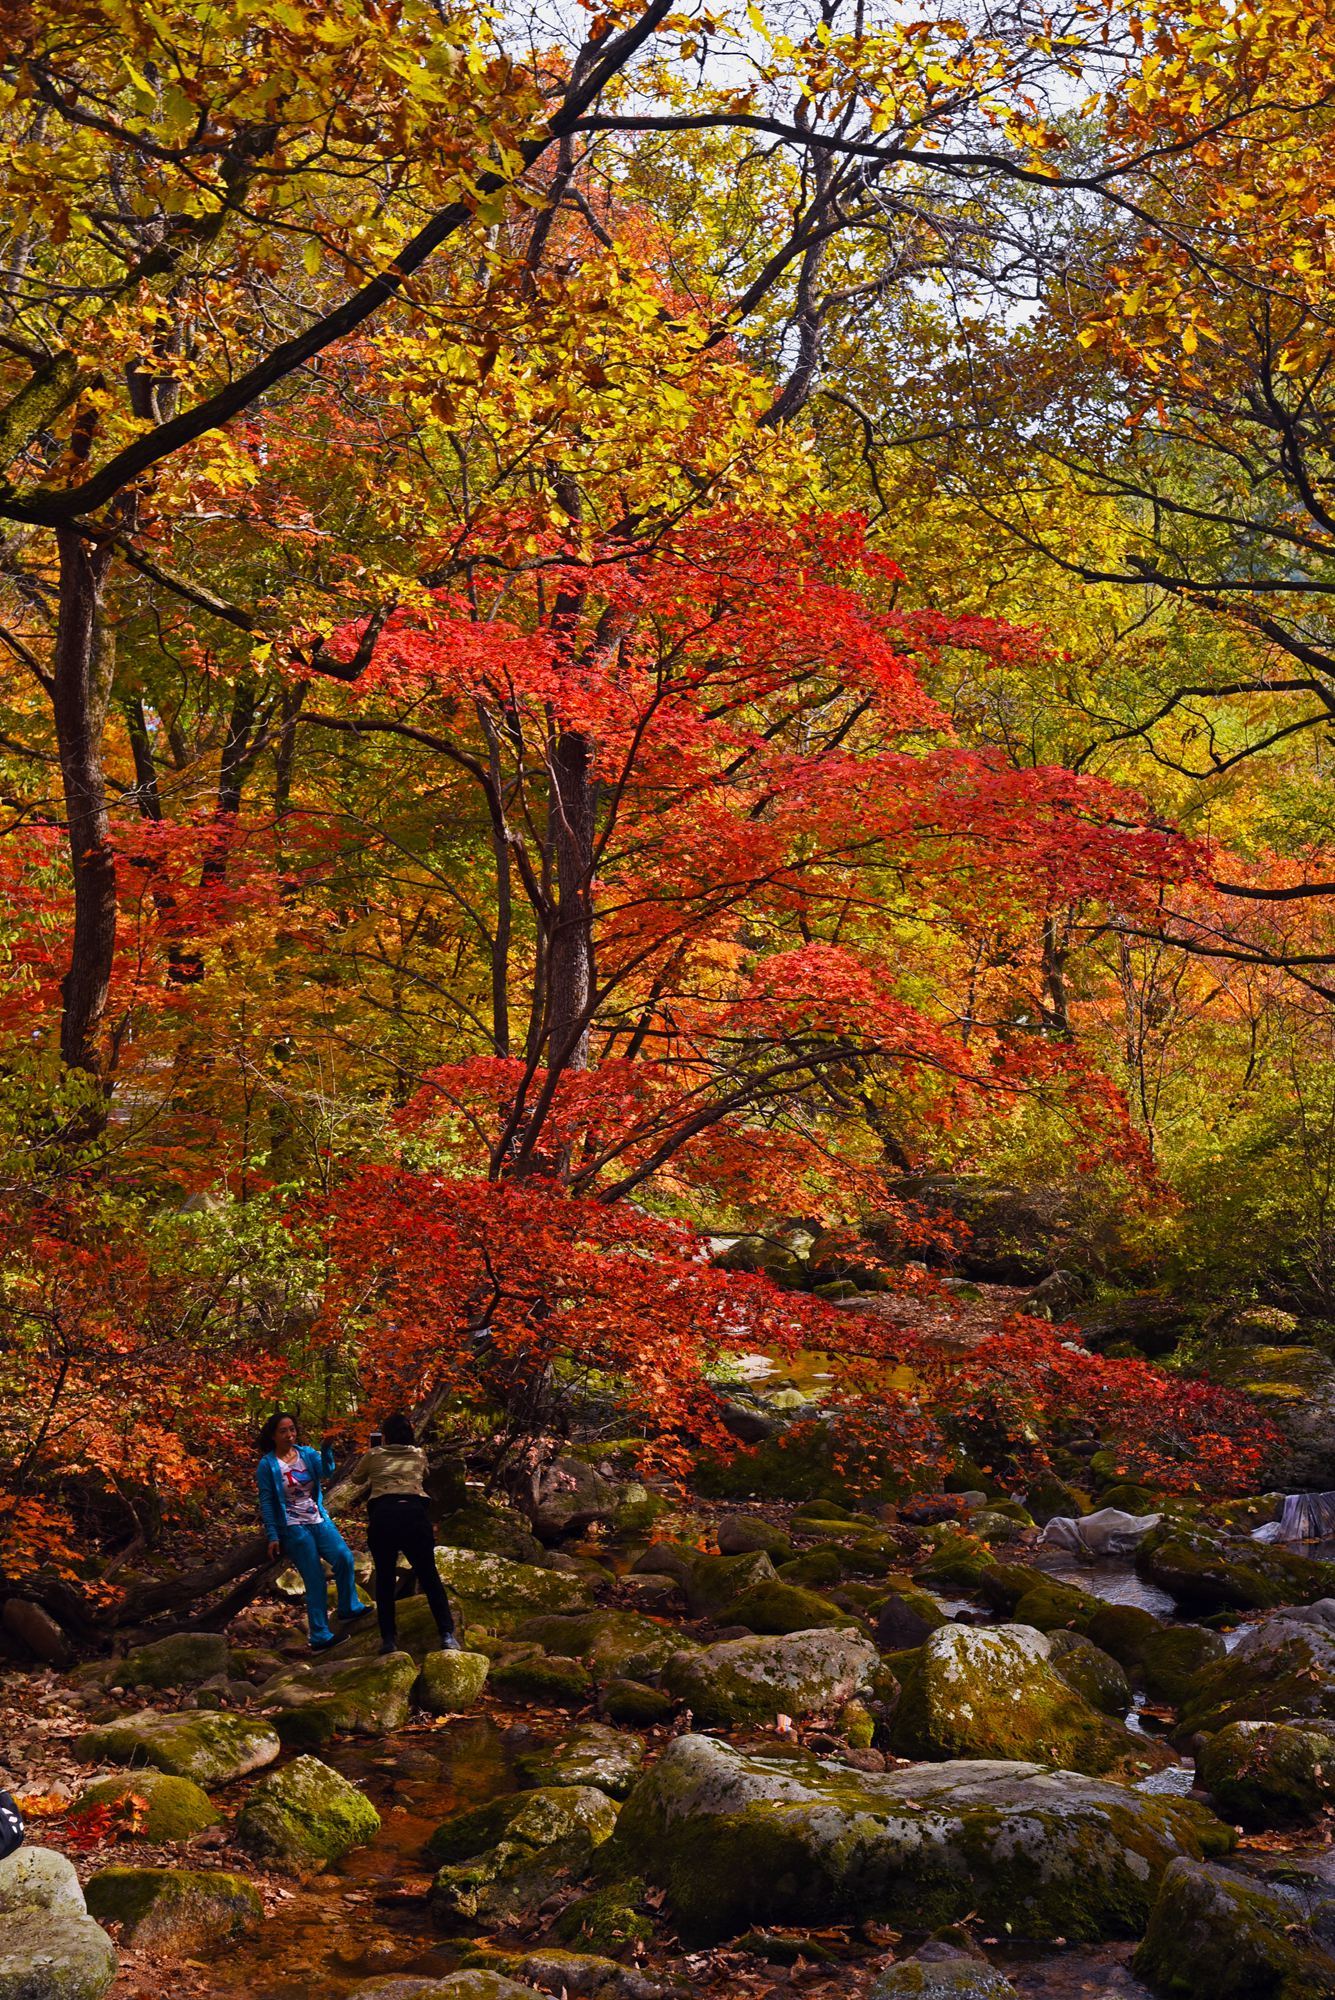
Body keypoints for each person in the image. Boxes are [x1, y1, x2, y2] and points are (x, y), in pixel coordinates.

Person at [347, 1411, 459, 1656]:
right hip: (414, 1516)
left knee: (385, 1579)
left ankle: (388, 1640)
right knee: (429, 1577)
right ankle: (447, 1634)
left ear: (384, 1436)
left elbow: (356, 1480)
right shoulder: (418, 1454)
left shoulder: (374, 1454)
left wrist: (372, 1452)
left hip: (383, 1517)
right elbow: (424, 1474)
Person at [256, 1411, 371, 1651]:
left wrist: (327, 1448)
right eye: (283, 1431)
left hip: (318, 1518)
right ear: (273, 1435)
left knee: (344, 1558)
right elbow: (266, 1501)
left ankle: (348, 1607)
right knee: (315, 1578)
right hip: (292, 1526)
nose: (289, 1435)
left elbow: (327, 1471)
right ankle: (319, 1636)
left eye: (292, 1429)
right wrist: (273, 1535)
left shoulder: (306, 1454)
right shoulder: (267, 1465)